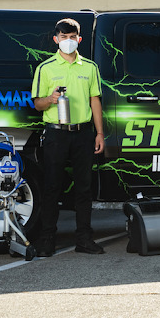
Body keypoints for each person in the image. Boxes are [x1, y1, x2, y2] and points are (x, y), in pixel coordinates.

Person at [32, 18, 105, 257]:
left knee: (84, 188)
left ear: (79, 39)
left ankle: (84, 239)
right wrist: (50, 99)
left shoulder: (90, 68)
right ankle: (47, 240)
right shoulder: (45, 68)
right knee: (52, 187)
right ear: (56, 39)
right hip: (56, 134)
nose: (68, 41)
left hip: (83, 133)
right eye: (63, 37)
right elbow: (37, 104)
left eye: (72, 37)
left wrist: (99, 133)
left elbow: (95, 100)